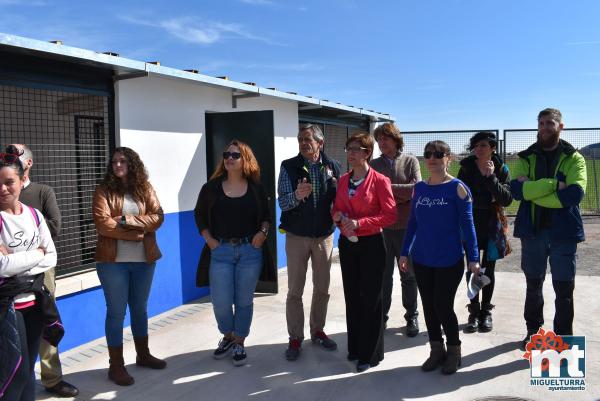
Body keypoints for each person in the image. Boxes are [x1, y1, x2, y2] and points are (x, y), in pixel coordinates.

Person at [399, 140, 480, 375]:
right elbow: (413, 223)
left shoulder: (458, 188)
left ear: (448, 158)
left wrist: (473, 258)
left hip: (449, 260)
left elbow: (469, 226)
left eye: (438, 154)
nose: (432, 158)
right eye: (428, 154)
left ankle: (454, 351)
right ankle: (437, 350)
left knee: (443, 306)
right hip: (422, 259)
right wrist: (405, 251)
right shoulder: (420, 188)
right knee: (428, 306)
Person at [509, 108, 587, 350]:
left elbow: (573, 195)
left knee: (564, 289)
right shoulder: (525, 157)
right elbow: (516, 192)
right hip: (533, 232)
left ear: (561, 126)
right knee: (533, 286)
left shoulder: (574, 158)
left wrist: (534, 191)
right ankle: (533, 333)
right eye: (541, 123)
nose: (545, 127)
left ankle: (563, 339)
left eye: (550, 123)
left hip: (564, 234)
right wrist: (553, 185)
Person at [194, 140, 275, 366]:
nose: (229, 158)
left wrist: (262, 233)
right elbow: (199, 215)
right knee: (220, 301)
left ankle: (239, 341)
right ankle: (227, 335)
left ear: (245, 160)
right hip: (220, 251)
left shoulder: (256, 188)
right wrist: (209, 239)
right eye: (226, 154)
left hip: (250, 251)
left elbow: (266, 216)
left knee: (243, 300)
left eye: (235, 155)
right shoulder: (210, 188)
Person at [9, 144, 79, 398]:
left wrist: (20, 246)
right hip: (7, 277)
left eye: (16, 156)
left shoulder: (42, 192)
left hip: (40, 272)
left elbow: (54, 227)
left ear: (28, 164)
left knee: (45, 323)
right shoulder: (3, 194)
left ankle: (52, 379)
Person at [92, 147, 166, 386]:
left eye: (123, 161)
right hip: (112, 263)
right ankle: (116, 366)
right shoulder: (103, 190)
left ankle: (143, 355)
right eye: (114, 161)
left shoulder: (145, 188)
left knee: (140, 309)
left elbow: (158, 217)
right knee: (116, 313)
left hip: (144, 261)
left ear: (132, 164)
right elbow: (103, 225)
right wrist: (137, 233)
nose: (117, 165)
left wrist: (126, 221)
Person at [332, 131, 397, 372]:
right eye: (349, 149)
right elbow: (336, 208)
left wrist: (360, 223)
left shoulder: (380, 180)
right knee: (352, 296)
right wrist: (338, 218)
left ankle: (370, 353)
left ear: (367, 153)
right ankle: (355, 347)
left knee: (371, 298)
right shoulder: (342, 180)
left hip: (371, 245)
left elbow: (390, 215)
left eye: (356, 149)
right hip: (348, 244)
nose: (351, 153)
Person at [278, 124, 341, 361]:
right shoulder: (288, 166)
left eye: (308, 139)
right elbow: (283, 203)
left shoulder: (333, 166)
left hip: (324, 236)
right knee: (295, 290)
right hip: (297, 237)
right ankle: (295, 338)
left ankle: (318, 330)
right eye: (300, 139)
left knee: (322, 287)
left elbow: (338, 200)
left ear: (320, 143)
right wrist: (296, 195)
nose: (304, 143)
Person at [0, 145, 57, 401]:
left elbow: (52, 256)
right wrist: (36, 254)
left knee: (29, 369)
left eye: (8, 181)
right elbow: (2, 267)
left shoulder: (34, 215)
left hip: (34, 302)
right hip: (8, 306)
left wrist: (15, 261)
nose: (3, 188)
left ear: (22, 180)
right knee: (15, 373)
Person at [457, 133, 512, 333]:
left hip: (492, 226)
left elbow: (506, 199)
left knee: (489, 269)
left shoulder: (502, 169)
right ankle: (473, 310)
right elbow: (462, 197)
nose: (478, 149)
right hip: (470, 225)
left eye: (483, 145)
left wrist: (491, 179)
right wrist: (487, 200)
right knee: (473, 267)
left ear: (492, 148)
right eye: (475, 146)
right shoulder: (466, 168)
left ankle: (485, 312)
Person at [370, 123, 421, 336]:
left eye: (386, 139)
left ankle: (412, 316)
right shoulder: (373, 164)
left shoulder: (410, 161)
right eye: (379, 139)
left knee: (408, 275)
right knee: (383, 276)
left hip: (406, 228)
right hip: (381, 229)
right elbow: (371, 194)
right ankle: (381, 317)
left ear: (396, 139)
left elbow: (416, 189)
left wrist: (386, 188)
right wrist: (399, 194)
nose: (382, 143)